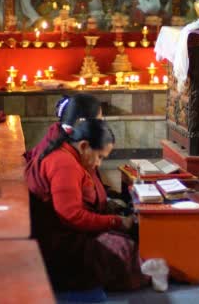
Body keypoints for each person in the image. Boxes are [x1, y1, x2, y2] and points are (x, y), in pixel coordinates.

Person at [25, 119, 147, 291]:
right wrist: (116, 222)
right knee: (124, 248)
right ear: (83, 146)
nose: (99, 164)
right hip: (59, 246)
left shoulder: (70, 155)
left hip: (63, 233)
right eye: (99, 157)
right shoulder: (64, 164)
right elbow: (71, 216)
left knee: (128, 236)